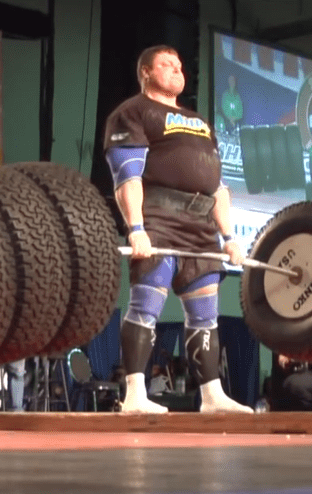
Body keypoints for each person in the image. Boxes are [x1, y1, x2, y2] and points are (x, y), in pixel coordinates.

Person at [102, 44, 252, 414]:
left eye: (180, 65)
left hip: (200, 227)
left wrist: (230, 237)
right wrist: (135, 228)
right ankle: (136, 394)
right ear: (146, 73)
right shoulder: (133, 112)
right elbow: (127, 177)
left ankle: (212, 396)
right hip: (159, 219)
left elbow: (217, 187)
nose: (176, 70)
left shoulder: (201, 122)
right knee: (146, 305)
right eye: (167, 65)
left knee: (206, 316)